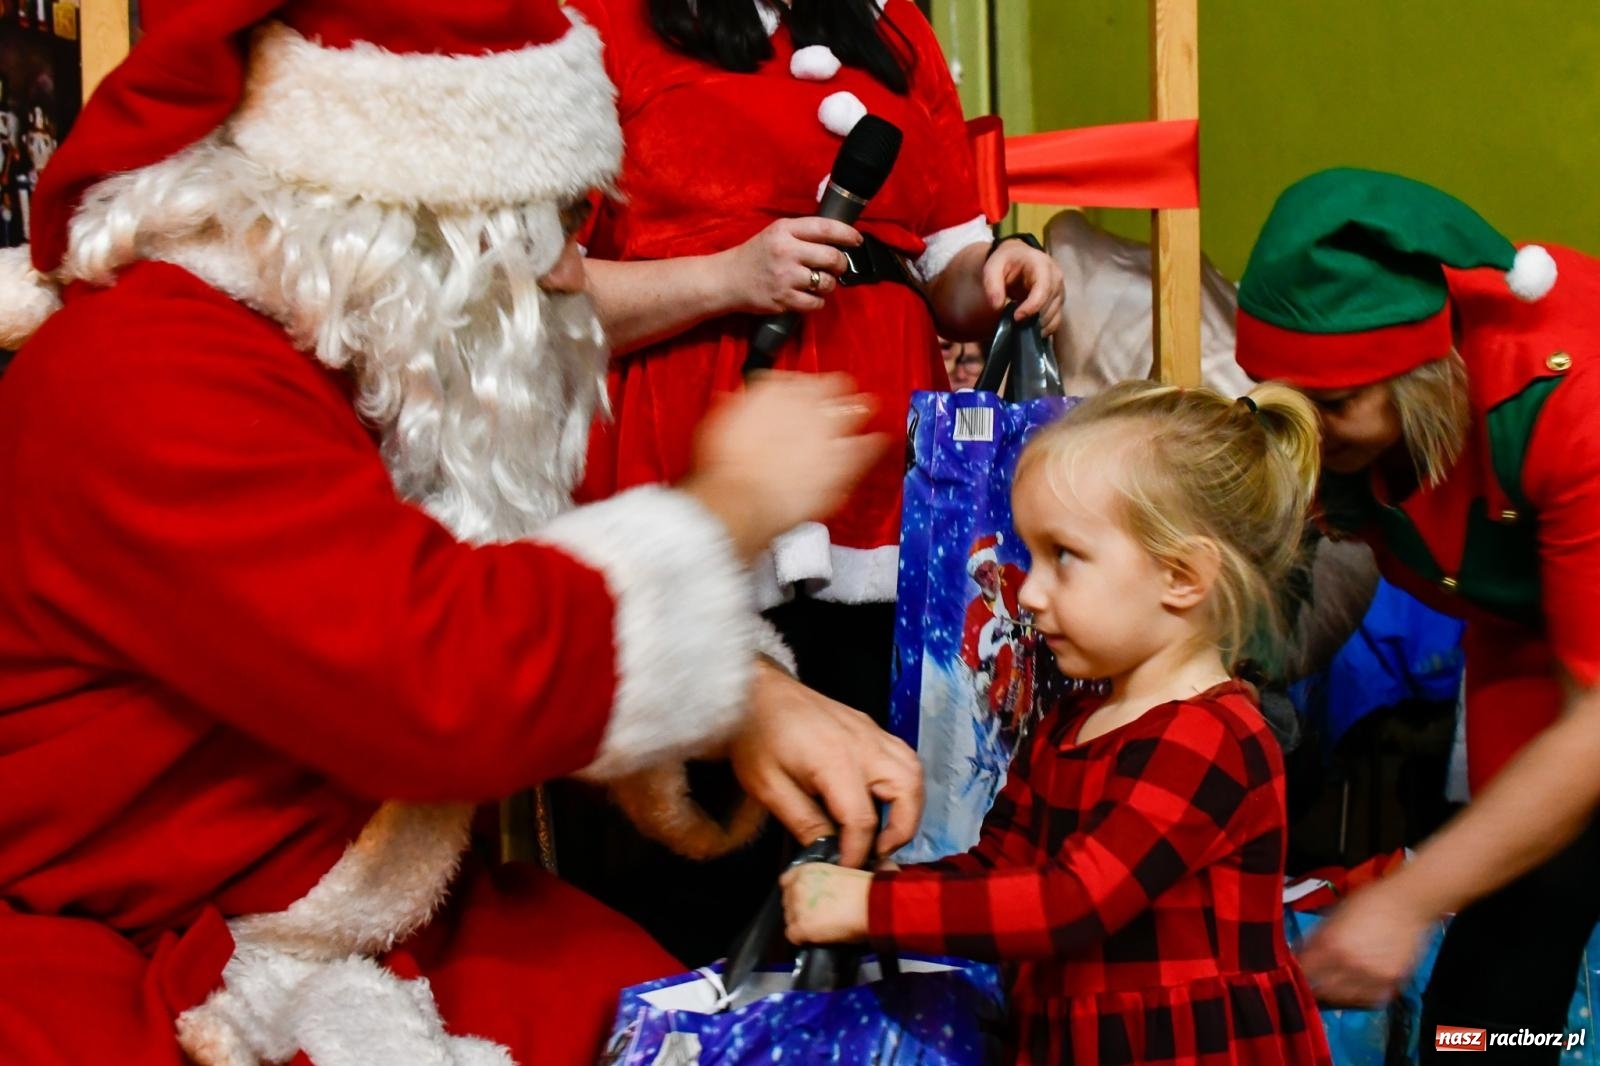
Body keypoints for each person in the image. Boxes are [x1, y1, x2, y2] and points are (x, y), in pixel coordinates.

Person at [0, 0, 924, 1062]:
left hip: (348, 897)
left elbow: (474, 541)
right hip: (140, 942)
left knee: (676, 1012)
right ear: (389, 220)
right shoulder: (151, 374)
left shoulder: (335, 349)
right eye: (536, 232)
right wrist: (723, 513)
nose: (573, 278)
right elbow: (439, 670)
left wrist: (747, 694)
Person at [555, 0, 1063, 961]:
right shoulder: (594, 23)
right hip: (700, 481)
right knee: (706, 846)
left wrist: (999, 270)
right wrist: (726, 277)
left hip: (892, 497)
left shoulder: (896, 24)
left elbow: (946, 262)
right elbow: (535, 298)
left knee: (888, 818)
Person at [781, 381, 1333, 1065]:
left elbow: (1075, 901)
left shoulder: (1213, 739)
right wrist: (883, 885)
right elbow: (998, 870)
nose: (1031, 592)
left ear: (1183, 575)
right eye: (1030, 556)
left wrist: (871, 909)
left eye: (1064, 556)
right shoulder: (1070, 724)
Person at [1231, 168, 1600, 1053]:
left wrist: (1405, 899)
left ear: (1424, 376)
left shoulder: (1569, 404)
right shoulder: (1332, 437)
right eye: (1286, 405)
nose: (1305, 439)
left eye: (1333, 405)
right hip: (1526, 638)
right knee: (1491, 1002)